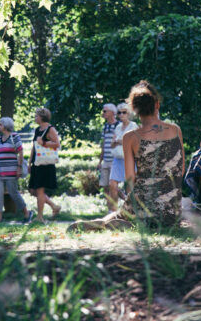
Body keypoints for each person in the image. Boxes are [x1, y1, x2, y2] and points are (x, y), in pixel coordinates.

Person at [68, 81, 185, 231]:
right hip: (171, 204)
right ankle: (136, 223)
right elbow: (180, 171)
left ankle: (104, 222)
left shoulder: (130, 137)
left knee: (122, 213)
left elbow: (130, 178)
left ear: (134, 110)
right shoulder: (176, 130)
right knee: (156, 215)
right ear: (157, 105)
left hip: (144, 200)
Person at [0, 117, 33, 224]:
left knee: (13, 193)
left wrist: (19, 167)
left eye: (0, 124)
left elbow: (20, 152)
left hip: (12, 171)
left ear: (6, 125)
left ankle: (27, 213)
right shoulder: (0, 139)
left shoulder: (14, 136)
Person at [28, 108, 61, 224]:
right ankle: (54, 206)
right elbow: (34, 146)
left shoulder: (50, 129)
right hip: (37, 163)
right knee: (34, 190)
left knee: (40, 190)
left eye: (36, 116)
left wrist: (44, 143)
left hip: (46, 164)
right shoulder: (37, 129)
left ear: (42, 116)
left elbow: (57, 144)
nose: (35, 118)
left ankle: (40, 217)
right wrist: (29, 162)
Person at [109, 103, 138, 211]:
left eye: (124, 112)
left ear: (129, 113)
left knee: (129, 187)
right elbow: (112, 144)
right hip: (117, 159)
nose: (121, 115)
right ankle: (113, 212)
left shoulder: (133, 126)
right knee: (112, 184)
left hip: (129, 159)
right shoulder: (118, 127)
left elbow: (132, 143)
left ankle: (130, 211)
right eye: (119, 113)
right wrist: (118, 141)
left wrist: (118, 141)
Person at [97, 103, 120, 211]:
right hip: (106, 160)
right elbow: (103, 144)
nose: (103, 113)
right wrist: (99, 161)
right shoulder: (105, 126)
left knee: (113, 186)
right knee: (105, 186)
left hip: (116, 160)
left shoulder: (119, 126)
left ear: (112, 112)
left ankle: (115, 209)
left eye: (105, 111)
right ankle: (110, 210)